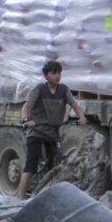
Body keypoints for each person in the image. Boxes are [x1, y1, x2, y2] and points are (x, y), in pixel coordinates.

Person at [17, 60, 88, 201]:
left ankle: (48, 197)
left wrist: (82, 117)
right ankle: (21, 198)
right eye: (53, 73)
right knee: (30, 166)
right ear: (46, 76)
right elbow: (26, 107)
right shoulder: (39, 89)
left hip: (53, 133)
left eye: (59, 73)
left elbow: (74, 104)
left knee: (54, 167)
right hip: (36, 132)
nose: (57, 76)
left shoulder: (64, 90)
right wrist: (26, 121)